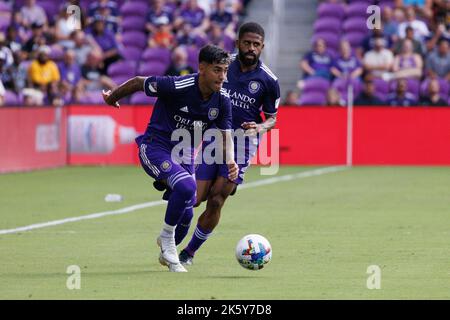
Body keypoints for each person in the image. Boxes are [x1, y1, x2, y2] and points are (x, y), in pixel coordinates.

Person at [102, 44, 238, 272]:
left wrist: (231, 161)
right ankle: (166, 239)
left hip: (185, 156)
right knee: (186, 187)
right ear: (202, 68)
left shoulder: (222, 100)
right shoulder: (178, 85)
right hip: (155, 148)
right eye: (217, 70)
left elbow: (226, 136)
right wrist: (112, 97)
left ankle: (167, 250)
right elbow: (138, 82)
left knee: (187, 213)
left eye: (225, 71)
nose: (222, 77)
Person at [177, 22, 280, 266]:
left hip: (244, 143)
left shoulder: (269, 80)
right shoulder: (222, 66)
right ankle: (172, 237)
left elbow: (273, 119)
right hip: (214, 136)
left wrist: (260, 126)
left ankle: (188, 253)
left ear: (262, 47)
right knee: (194, 198)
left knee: (217, 199)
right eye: (247, 42)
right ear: (237, 43)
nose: (251, 48)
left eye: (256, 44)